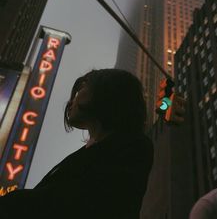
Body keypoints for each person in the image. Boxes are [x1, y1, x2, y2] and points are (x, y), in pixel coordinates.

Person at [0, 69, 153, 219]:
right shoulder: (89, 153)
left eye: (81, 90)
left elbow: (74, 201)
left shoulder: (133, 147)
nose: (71, 101)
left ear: (106, 92)